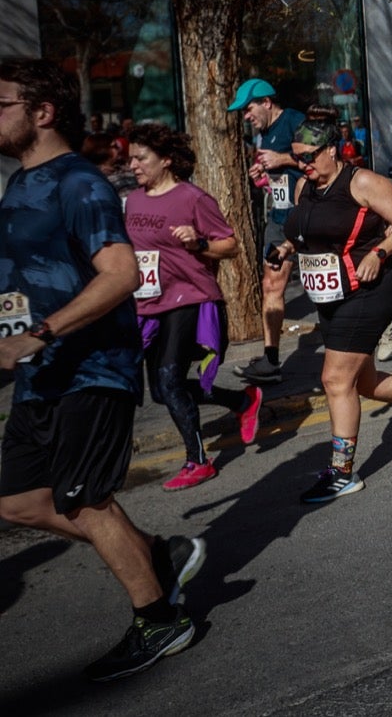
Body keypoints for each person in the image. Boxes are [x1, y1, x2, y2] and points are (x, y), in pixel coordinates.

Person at [0, 58, 205, 681]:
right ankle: (153, 551)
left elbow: (121, 274)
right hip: (44, 370)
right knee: (17, 501)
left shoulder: (79, 183)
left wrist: (39, 334)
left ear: (43, 112)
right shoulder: (18, 184)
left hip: (92, 366)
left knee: (85, 499)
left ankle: (160, 620)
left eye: (1, 104)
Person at [277, 118, 392, 502]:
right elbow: (300, 231)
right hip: (329, 295)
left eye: (309, 157)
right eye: (297, 158)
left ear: (331, 150)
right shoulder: (305, 186)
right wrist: (284, 250)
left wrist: (378, 252)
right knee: (363, 381)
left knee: (335, 380)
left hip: (367, 291)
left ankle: (342, 473)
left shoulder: (364, 183)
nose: (302, 164)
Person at [125, 123, 261, 490]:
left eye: (141, 158)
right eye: (131, 158)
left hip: (190, 296)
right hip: (148, 301)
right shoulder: (134, 200)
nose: (133, 164)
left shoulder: (192, 198)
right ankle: (242, 400)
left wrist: (197, 243)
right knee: (161, 389)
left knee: (169, 379)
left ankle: (197, 460)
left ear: (166, 159)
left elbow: (230, 245)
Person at [228, 78, 305, 385]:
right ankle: (271, 360)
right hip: (278, 221)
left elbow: (323, 158)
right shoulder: (262, 135)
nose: (246, 116)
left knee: (335, 280)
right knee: (271, 285)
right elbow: (277, 176)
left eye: (248, 109)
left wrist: (284, 158)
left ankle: (379, 324)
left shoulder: (295, 121)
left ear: (266, 102)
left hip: (308, 216)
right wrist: (262, 173)